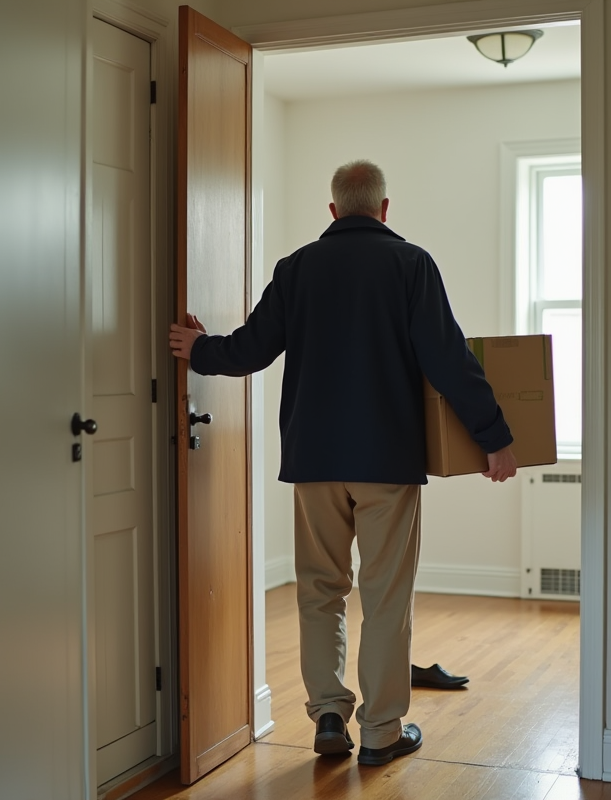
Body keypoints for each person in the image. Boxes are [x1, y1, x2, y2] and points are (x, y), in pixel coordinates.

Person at [169, 159, 516, 766]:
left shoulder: (297, 268)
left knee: (319, 591)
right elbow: (447, 358)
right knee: (384, 596)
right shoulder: (411, 263)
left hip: (314, 459)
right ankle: (382, 733)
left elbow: (251, 349)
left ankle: (329, 713)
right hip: (387, 459)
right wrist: (494, 435)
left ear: (333, 211)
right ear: (385, 209)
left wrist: (199, 350)